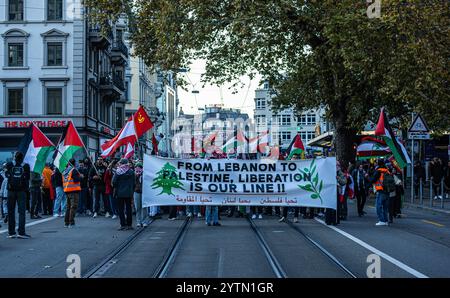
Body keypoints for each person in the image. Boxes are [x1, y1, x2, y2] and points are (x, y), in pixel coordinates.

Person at [5, 152, 31, 238]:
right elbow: (27, 178)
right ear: (22, 158)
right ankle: (21, 232)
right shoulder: (25, 166)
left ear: (14, 157)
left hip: (11, 191)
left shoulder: (9, 164)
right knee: (21, 212)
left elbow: (6, 175)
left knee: (11, 212)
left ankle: (11, 232)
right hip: (21, 191)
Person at [369, 159, 394, 226]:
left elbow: (373, 180)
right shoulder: (387, 171)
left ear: (378, 164)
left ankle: (381, 220)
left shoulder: (378, 171)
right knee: (385, 207)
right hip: (387, 191)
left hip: (381, 190)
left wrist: (368, 178)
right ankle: (385, 220)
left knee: (378, 206)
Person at [112, 158, 135, 230]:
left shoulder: (118, 171)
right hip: (129, 193)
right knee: (129, 209)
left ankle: (123, 225)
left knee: (121, 209)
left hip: (120, 193)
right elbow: (134, 183)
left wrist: (117, 187)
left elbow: (114, 181)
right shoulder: (131, 171)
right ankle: (129, 225)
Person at [62, 158, 82, 227]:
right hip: (73, 190)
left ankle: (66, 222)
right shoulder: (73, 170)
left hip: (67, 190)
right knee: (73, 207)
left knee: (68, 207)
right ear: (74, 163)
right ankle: (71, 222)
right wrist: (81, 177)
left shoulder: (65, 171)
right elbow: (76, 180)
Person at [134, 162, 147, 227]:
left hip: (144, 192)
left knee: (144, 207)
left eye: (139, 168)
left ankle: (144, 221)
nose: (138, 170)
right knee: (137, 207)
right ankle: (138, 221)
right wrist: (137, 175)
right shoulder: (134, 175)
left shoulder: (145, 174)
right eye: (137, 168)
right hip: (136, 192)